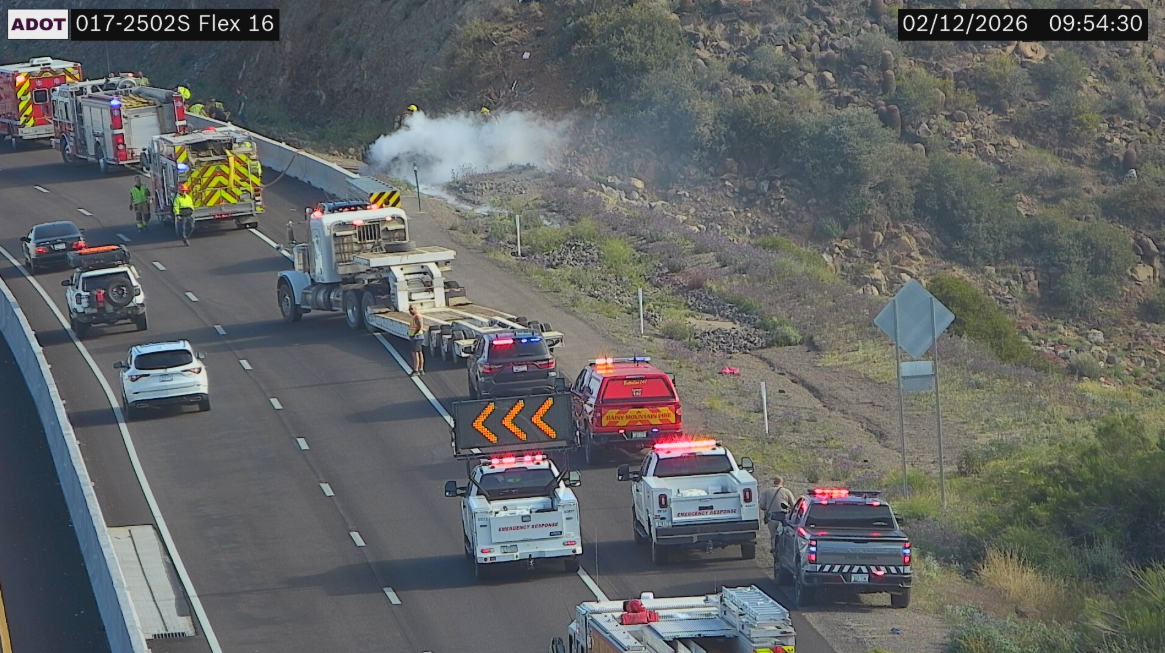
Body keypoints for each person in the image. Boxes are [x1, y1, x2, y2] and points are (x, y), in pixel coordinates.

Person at [759, 476, 795, 552]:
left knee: (773, 536)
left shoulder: (767, 492)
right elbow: (793, 505)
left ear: (774, 482)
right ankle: (783, 549)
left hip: (771, 518)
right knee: (784, 534)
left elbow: (761, 505)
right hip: (783, 518)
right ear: (782, 483)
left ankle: (774, 549)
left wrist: (768, 508)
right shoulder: (787, 492)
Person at [407, 304, 425, 376]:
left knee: (415, 353)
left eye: (411, 309)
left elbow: (419, 326)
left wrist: (414, 334)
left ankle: (416, 370)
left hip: (417, 337)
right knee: (419, 352)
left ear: (415, 308)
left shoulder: (417, 316)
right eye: (409, 309)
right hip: (417, 337)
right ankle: (421, 369)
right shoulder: (415, 316)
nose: (410, 311)